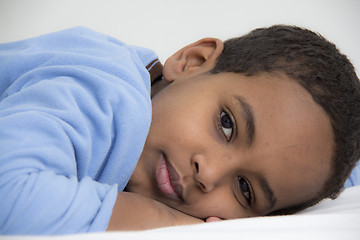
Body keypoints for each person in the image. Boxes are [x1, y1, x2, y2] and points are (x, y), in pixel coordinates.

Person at [0, 25, 359, 235]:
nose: (210, 172)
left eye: (245, 189)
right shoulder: (104, 94)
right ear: (193, 62)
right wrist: (163, 220)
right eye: (226, 124)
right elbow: (8, 193)